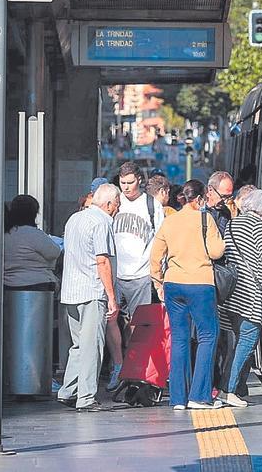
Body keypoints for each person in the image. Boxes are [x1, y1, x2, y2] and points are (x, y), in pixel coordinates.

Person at [150, 180, 225, 410]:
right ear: (200, 198)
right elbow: (216, 251)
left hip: (174, 284)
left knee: (180, 339)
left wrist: (158, 282)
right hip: (200, 284)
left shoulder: (169, 221)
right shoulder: (206, 219)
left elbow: (155, 256)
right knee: (207, 337)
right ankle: (199, 396)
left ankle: (178, 399)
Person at [57, 184, 121, 412]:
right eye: (117, 205)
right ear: (109, 204)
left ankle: (68, 390)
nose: (117, 209)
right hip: (92, 291)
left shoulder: (75, 219)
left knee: (78, 345)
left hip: (71, 291)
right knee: (92, 346)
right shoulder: (102, 222)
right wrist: (111, 297)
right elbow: (102, 261)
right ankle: (86, 397)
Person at [219, 190, 262, 407]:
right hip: (250, 294)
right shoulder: (258, 226)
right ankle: (228, 389)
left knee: (235, 345)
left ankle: (231, 387)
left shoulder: (232, 224)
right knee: (247, 341)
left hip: (232, 293)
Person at [110, 162, 165, 391]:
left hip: (141, 274)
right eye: (122, 183)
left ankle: (134, 370)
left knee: (137, 326)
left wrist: (158, 277)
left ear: (140, 181)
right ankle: (117, 365)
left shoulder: (152, 205)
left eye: (130, 183)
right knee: (111, 322)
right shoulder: (114, 203)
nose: (126, 188)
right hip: (115, 273)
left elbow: (162, 240)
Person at [3, 195, 61, 289]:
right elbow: (54, 252)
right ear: (34, 213)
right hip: (38, 284)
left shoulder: (5, 234)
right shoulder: (34, 234)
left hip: (8, 284)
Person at [204, 171, 234, 235]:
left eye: (229, 197)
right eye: (223, 196)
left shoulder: (226, 213)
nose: (226, 201)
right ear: (210, 190)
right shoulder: (198, 212)